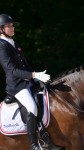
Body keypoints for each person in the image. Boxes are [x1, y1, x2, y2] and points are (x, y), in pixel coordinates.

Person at [0, 14, 50, 150]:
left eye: (12, 25)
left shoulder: (14, 43)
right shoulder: (1, 46)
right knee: (32, 107)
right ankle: (34, 145)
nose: (12, 27)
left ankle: (46, 134)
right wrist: (33, 75)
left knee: (48, 92)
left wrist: (36, 77)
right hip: (16, 86)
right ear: (1, 29)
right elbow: (11, 69)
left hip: (27, 81)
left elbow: (25, 64)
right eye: (9, 26)